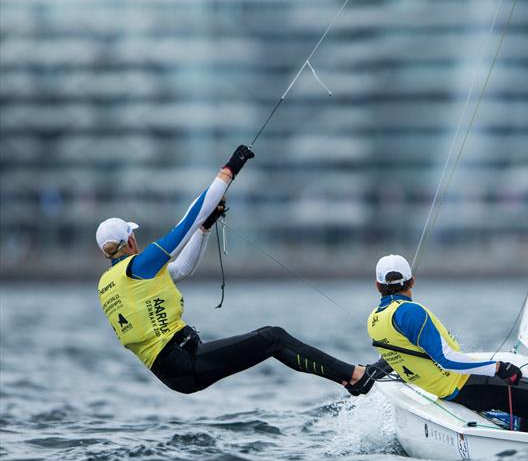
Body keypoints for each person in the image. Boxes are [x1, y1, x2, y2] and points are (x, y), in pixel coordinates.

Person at [96, 145, 365, 394]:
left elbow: (183, 268)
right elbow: (188, 222)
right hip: (183, 360)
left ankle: (350, 376)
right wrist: (229, 170)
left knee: (271, 339)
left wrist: (205, 229)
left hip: (173, 371)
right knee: (273, 338)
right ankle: (355, 377)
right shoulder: (141, 264)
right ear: (130, 240)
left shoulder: (111, 282)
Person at [348, 254, 528, 438]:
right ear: (412, 281)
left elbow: (402, 357)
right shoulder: (409, 311)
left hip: (444, 389)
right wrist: (498, 367)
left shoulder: (375, 320)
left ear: (378, 286)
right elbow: (447, 360)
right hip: (462, 385)